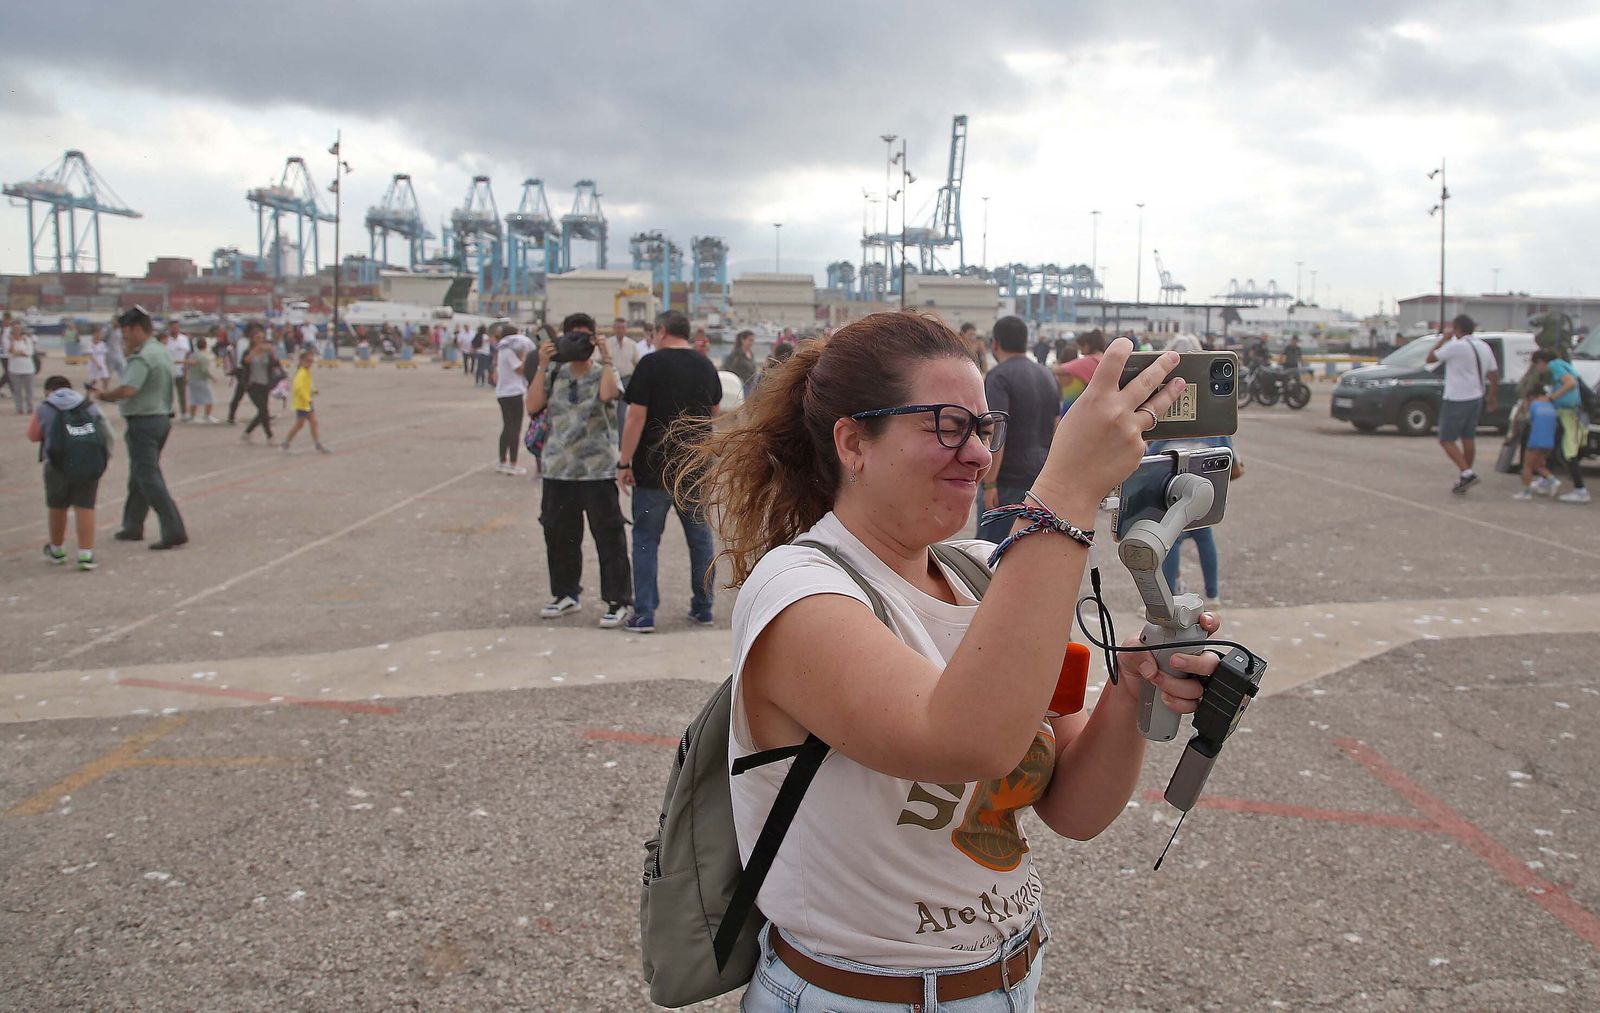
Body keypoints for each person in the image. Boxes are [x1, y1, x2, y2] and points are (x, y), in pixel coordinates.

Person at [672, 312, 1216, 1010]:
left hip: (1010, 977)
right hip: (859, 996)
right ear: (853, 442)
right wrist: (1065, 490)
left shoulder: (988, 574)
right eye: (945, 424)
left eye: (983, 426)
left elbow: (1076, 810)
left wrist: (1127, 689)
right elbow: (970, 740)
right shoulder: (797, 593)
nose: (980, 454)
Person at [618, 309, 722, 633]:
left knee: (647, 540)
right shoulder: (705, 364)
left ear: (661, 331)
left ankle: (645, 613)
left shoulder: (650, 365)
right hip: (692, 468)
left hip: (652, 471)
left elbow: (635, 417)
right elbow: (714, 413)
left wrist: (624, 462)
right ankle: (703, 607)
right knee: (700, 540)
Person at [526, 314, 633, 626]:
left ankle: (618, 599)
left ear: (595, 339)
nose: (577, 343)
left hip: (596, 470)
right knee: (559, 535)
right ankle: (565, 594)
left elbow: (608, 395)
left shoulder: (604, 372)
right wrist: (543, 365)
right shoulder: (554, 372)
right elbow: (532, 406)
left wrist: (607, 357)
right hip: (559, 469)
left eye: (584, 337)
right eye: (570, 337)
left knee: (609, 537)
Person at [96, 306, 188, 550]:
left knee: (148, 476)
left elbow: (128, 389)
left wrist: (105, 395)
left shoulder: (143, 356)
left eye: (126, 333)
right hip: (160, 419)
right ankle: (133, 525)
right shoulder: (159, 350)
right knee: (139, 475)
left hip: (144, 422)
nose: (124, 339)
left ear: (137, 329)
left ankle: (173, 528)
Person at [977, 315, 1061, 543]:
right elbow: (1056, 429)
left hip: (1006, 480)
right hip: (1039, 479)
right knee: (1027, 550)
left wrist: (990, 482)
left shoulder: (999, 376)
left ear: (996, 343)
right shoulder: (1048, 375)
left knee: (988, 552)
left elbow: (996, 431)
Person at [30, 376, 113, 571]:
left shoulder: (45, 408)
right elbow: (107, 433)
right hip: (86, 462)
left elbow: (33, 435)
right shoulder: (87, 406)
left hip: (56, 464)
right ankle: (86, 554)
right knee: (85, 506)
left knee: (57, 506)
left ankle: (57, 550)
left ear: (48, 390)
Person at [1152, 435, 1238, 610]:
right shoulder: (1216, 430)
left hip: (1175, 495)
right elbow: (1231, 458)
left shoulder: (1172, 428)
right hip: (1203, 493)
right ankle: (1213, 595)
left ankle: (1169, 597)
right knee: (1205, 541)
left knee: (1172, 543)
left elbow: (1150, 457)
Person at [1427, 314, 1499, 494]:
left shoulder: (1455, 346)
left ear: (1457, 328)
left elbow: (1430, 358)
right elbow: (1493, 373)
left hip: (1456, 398)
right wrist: (1492, 396)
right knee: (1468, 437)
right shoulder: (1483, 346)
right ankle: (1464, 475)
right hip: (1476, 396)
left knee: (1446, 439)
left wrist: (1443, 339)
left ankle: (1466, 472)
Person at [493, 324, 535, 475]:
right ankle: (513, 463)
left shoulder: (501, 350)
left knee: (506, 427)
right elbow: (520, 370)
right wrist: (524, 358)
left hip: (503, 393)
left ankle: (502, 461)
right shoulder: (509, 351)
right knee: (514, 428)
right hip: (513, 393)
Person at [239, 324, 283, 444]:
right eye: (258, 338)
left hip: (265, 383)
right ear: (252, 339)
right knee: (263, 410)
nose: (260, 340)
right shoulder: (248, 351)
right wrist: (255, 351)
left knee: (262, 411)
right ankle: (270, 436)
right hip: (253, 384)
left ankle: (247, 432)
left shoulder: (267, 351)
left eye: (262, 338)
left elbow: (275, 364)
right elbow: (244, 362)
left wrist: (273, 353)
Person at [280, 350, 330, 454]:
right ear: (302, 361)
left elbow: (308, 385)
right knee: (299, 425)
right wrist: (308, 398)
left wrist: (314, 390)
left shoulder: (306, 372)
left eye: (311, 361)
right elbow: (299, 389)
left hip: (307, 403)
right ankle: (286, 442)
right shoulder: (301, 373)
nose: (310, 364)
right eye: (308, 361)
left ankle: (317, 443)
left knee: (314, 422)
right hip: (302, 404)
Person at [1051, 328, 1106, 414]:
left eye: (1081, 347)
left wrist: (1055, 363)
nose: (1081, 352)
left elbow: (1057, 370)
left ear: (1087, 346)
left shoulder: (1088, 361)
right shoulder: (1104, 359)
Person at [183, 336, 218, 423]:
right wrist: (213, 378)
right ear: (206, 345)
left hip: (192, 379)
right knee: (210, 398)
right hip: (201, 379)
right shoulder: (204, 356)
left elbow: (187, 367)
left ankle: (192, 416)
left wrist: (186, 376)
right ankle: (207, 415)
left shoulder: (193, 355)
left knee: (194, 398)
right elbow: (204, 370)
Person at [163, 319, 193, 421]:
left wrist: (186, 369)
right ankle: (168, 411)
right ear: (169, 328)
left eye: (177, 327)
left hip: (181, 370)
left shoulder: (184, 339)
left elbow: (188, 354)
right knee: (168, 393)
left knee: (182, 393)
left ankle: (184, 413)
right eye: (173, 327)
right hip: (168, 370)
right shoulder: (166, 340)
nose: (175, 329)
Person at [8, 323, 38, 414]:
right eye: (15, 329)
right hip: (14, 369)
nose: (17, 331)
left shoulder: (27, 339)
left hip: (28, 368)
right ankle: (19, 408)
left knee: (29, 390)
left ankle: (30, 407)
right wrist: (13, 342)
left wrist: (18, 353)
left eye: (18, 329)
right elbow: (10, 352)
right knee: (17, 391)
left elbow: (29, 352)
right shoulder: (9, 340)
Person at [721, 329, 759, 393]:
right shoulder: (736, 354)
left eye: (753, 341)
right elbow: (727, 368)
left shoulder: (750, 353)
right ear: (742, 340)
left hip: (751, 385)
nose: (752, 343)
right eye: (750, 340)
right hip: (740, 386)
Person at [87, 329, 111, 395]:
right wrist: (97, 364)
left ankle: (105, 391)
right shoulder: (90, 344)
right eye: (96, 334)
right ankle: (88, 394)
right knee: (94, 380)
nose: (98, 336)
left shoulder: (102, 344)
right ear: (93, 335)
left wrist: (106, 363)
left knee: (105, 377)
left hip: (102, 364)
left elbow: (105, 354)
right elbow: (90, 355)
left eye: (99, 334)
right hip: (94, 365)